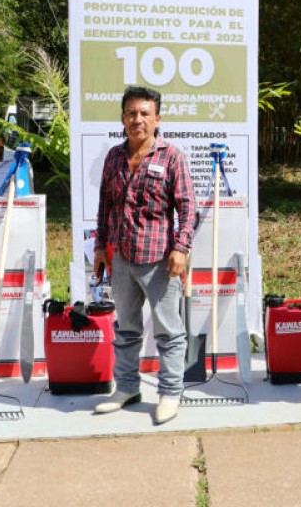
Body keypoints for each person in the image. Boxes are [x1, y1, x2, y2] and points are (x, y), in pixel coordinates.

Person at [93, 86, 196, 425]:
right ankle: (126, 388)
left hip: (159, 260)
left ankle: (169, 393)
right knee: (126, 329)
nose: (138, 119)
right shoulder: (114, 157)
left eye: (144, 113)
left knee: (168, 331)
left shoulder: (172, 157)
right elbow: (105, 205)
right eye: (131, 113)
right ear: (123, 118)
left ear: (157, 119)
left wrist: (181, 248)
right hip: (121, 258)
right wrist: (99, 247)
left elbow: (187, 207)